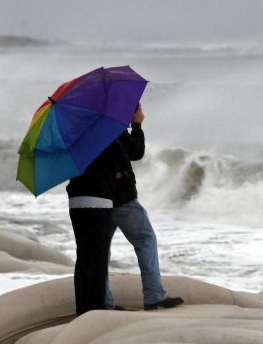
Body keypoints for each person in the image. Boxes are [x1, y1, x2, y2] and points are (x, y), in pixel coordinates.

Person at [104, 104, 184, 311]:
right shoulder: (110, 127)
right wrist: (137, 125)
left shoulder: (92, 127)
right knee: (145, 240)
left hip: (99, 198)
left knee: (100, 250)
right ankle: (154, 295)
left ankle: (104, 300)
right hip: (121, 198)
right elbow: (135, 152)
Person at [66, 134, 118, 315]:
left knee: (83, 257)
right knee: (98, 258)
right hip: (100, 201)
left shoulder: (74, 139)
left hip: (76, 200)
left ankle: (82, 308)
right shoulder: (106, 136)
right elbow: (124, 162)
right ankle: (95, 309)